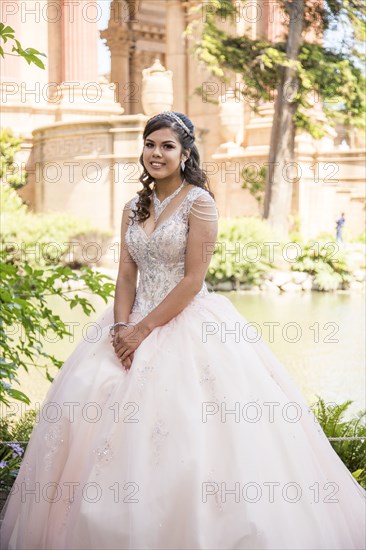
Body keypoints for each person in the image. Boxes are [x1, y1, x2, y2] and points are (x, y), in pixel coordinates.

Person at [0, 112, 365, 550]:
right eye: (150, 144)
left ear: (185, 152)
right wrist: (121, 327)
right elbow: (125, 272)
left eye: (167, 146)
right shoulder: (132, 206)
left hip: (186, 322)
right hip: (129, 321)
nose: (157, 153)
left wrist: (144, 331)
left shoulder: (200, 203)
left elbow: (193, 280)